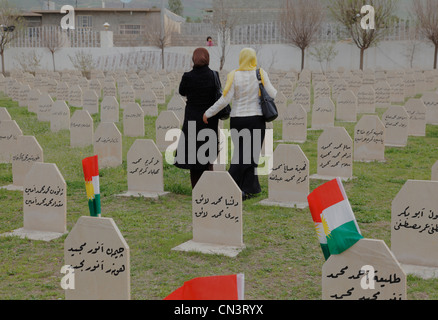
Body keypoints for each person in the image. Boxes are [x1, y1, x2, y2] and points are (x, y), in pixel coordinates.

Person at [203, 48, 277, 200]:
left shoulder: (233, 75)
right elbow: (273, 93)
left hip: (238, 120)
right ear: (253, 59)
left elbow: (224, 99)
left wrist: (208, 113)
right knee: (249, 156)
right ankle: (228, 185)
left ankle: (249, 189)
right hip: (256, 119)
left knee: (243, 154)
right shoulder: (260, 73)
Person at [174, 47, 220, 189]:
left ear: (193, 59)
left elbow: (182, 91)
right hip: (209, 118)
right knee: (208, 152)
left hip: (192, 118)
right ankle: (209, 185)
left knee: (193, 153)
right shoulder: (213, 75)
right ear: (207, 58)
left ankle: (196, 187)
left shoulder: (188, 76)